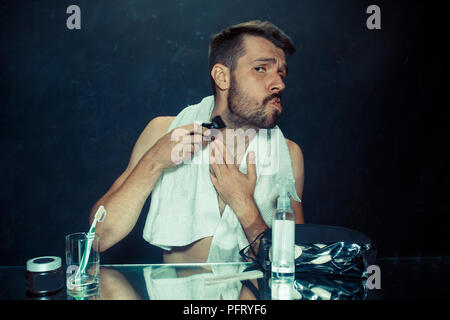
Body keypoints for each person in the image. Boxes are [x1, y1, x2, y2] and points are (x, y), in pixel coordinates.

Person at [90, 20, 305, 263]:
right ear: (222, 77)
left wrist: (244, 203)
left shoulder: (288, 154)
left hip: (250, 299)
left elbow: (295, 264)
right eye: (261, 69)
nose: (279, 83)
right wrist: (154, 161)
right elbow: (100, 237)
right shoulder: (163, 131)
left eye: (281, 73)